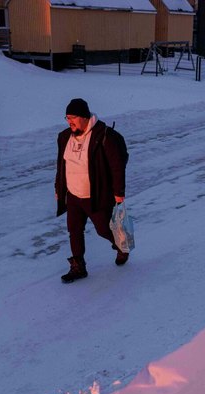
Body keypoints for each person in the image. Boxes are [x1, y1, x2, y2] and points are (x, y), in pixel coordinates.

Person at [55, 98, 128, 283]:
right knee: (74, 230)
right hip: (73, 195)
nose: (69, 121)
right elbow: (61, 166)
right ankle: (78, 266)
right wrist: (59, 188)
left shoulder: (104, 135)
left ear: (85, 117)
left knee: (104, 229)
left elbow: (117, 166)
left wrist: (118, 192)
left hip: (95, 195)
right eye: (67, 117)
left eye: (73, 117)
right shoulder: (64, 137)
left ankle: (121, 245)